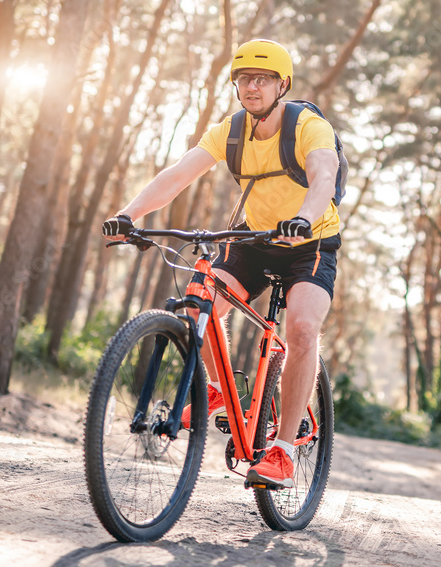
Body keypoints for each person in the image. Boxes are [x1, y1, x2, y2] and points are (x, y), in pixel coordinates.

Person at [102, 39, 341, 490]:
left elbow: (323, 176)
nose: (251, 87)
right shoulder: (230, 132)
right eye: (243, 79)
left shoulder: (308, 127)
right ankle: (215, 387)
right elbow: (176, 174)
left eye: (262, 79)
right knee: (198, 302)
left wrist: (304, 219)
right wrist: (129, 215)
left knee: (303, 329)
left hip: (310, 241)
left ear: (281, 85)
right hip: (256, 238)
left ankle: (284, 452)